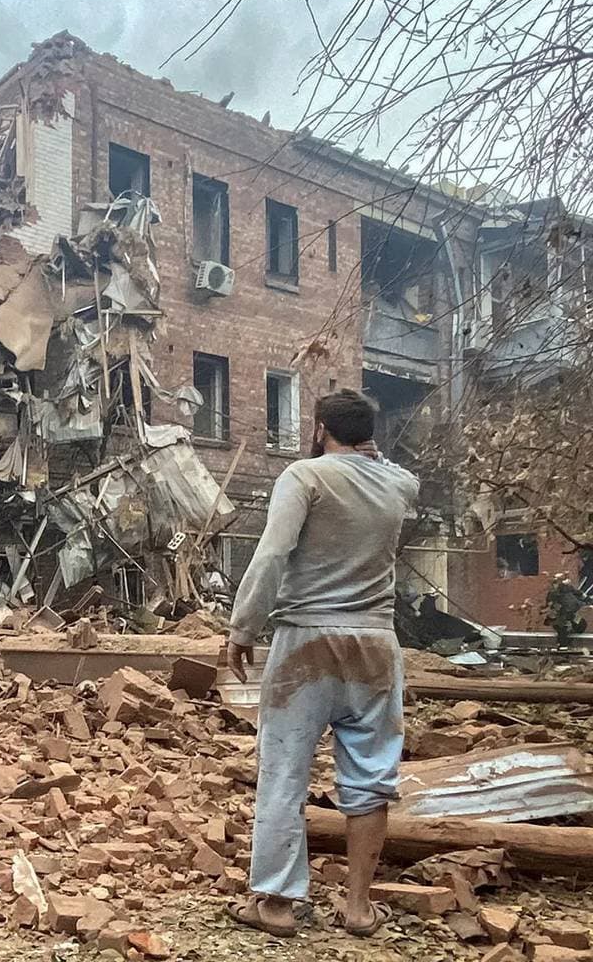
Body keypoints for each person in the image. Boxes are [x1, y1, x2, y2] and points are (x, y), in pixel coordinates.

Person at [224, 389, 419, 939]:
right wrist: (370, 451)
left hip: (306, 641)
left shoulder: (304, 477)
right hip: (376, 645)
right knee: (372, 779)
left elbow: (272, 553)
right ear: (369, 434)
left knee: (284, 771)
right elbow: (396, 471)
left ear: (318, 429)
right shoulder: (400, 485)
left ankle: (279, 905)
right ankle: (358, 909)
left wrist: (243, 628)